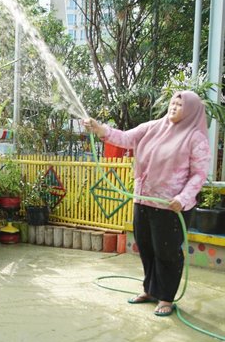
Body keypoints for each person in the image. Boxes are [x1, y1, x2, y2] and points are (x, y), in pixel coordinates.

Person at [84, 91, 211, 316]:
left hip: (170, 206)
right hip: (143, 200)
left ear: (191, 110)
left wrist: (182, 198)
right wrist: (100, 129)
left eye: (180, 105)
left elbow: (199, 175)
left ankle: (166, 298)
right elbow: (125, 138)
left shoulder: (195, 138)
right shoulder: (152, 127)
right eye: (173, 102)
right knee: (146, 248)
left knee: (167, 253)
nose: (173, 106)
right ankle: (150, 291)